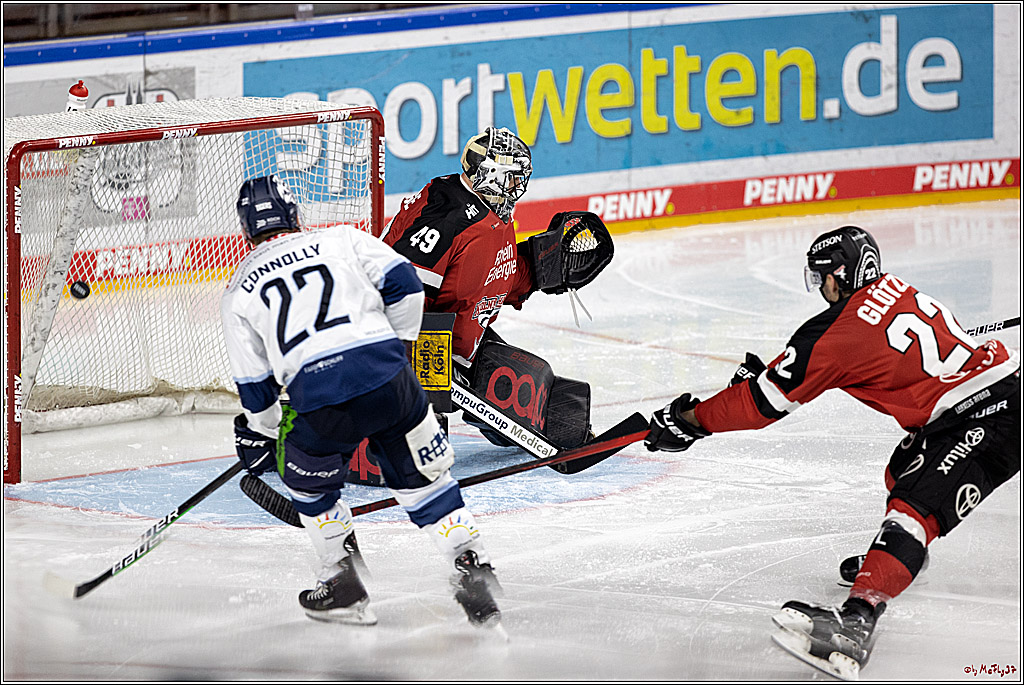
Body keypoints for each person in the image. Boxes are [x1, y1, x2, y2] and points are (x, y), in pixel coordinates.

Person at [643, 225, 1020, 679]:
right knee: (905, 468)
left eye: (821, 278)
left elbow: (761, 406)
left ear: (838, 275)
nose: (821, 289)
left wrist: (689, 422)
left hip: (989, 412)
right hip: (992, 388)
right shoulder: (896, 288)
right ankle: (899, 554)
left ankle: (856, 620)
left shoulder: (835, 330)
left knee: (913, 508)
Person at [221, 174, 503, 627]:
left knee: (309, 486)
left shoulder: (238, 291)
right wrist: (397, 346)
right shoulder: (340, 239)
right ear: (295, 216)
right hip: (389, 376)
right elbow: (408, 284)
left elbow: (256, 390)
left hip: (319, 397)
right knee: (427, 485)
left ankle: (343, 581)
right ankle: (472, 567)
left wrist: (263, 432)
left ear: (246, 229)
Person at [376, 126, 614, 464]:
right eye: (514, 175)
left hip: (459, 341)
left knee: (538, 388)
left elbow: (485, 276)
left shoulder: (492, 211)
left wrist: (536, 269)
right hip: (412, 348)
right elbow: (396, 290)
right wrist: (424, 355)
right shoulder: (445, 217)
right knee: (417, 457)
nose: (520, 185)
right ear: (492, 174)